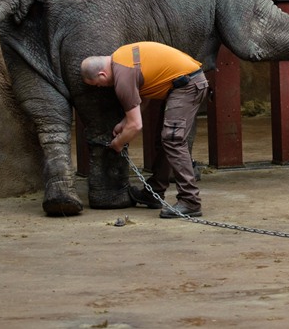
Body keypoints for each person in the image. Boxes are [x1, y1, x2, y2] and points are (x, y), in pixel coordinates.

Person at [81, 42, 209, 218]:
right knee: (166, 141)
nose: (99, 88)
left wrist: (118, 143)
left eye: (97, 84)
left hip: (187, 85)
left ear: (102, 74)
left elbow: (136, 125)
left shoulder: (122, 79)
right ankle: (154, 193)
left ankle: (190, 201)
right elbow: (143, 98)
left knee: (173, 139)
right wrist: (124, 122)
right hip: (184, 82)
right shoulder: (121, 57)